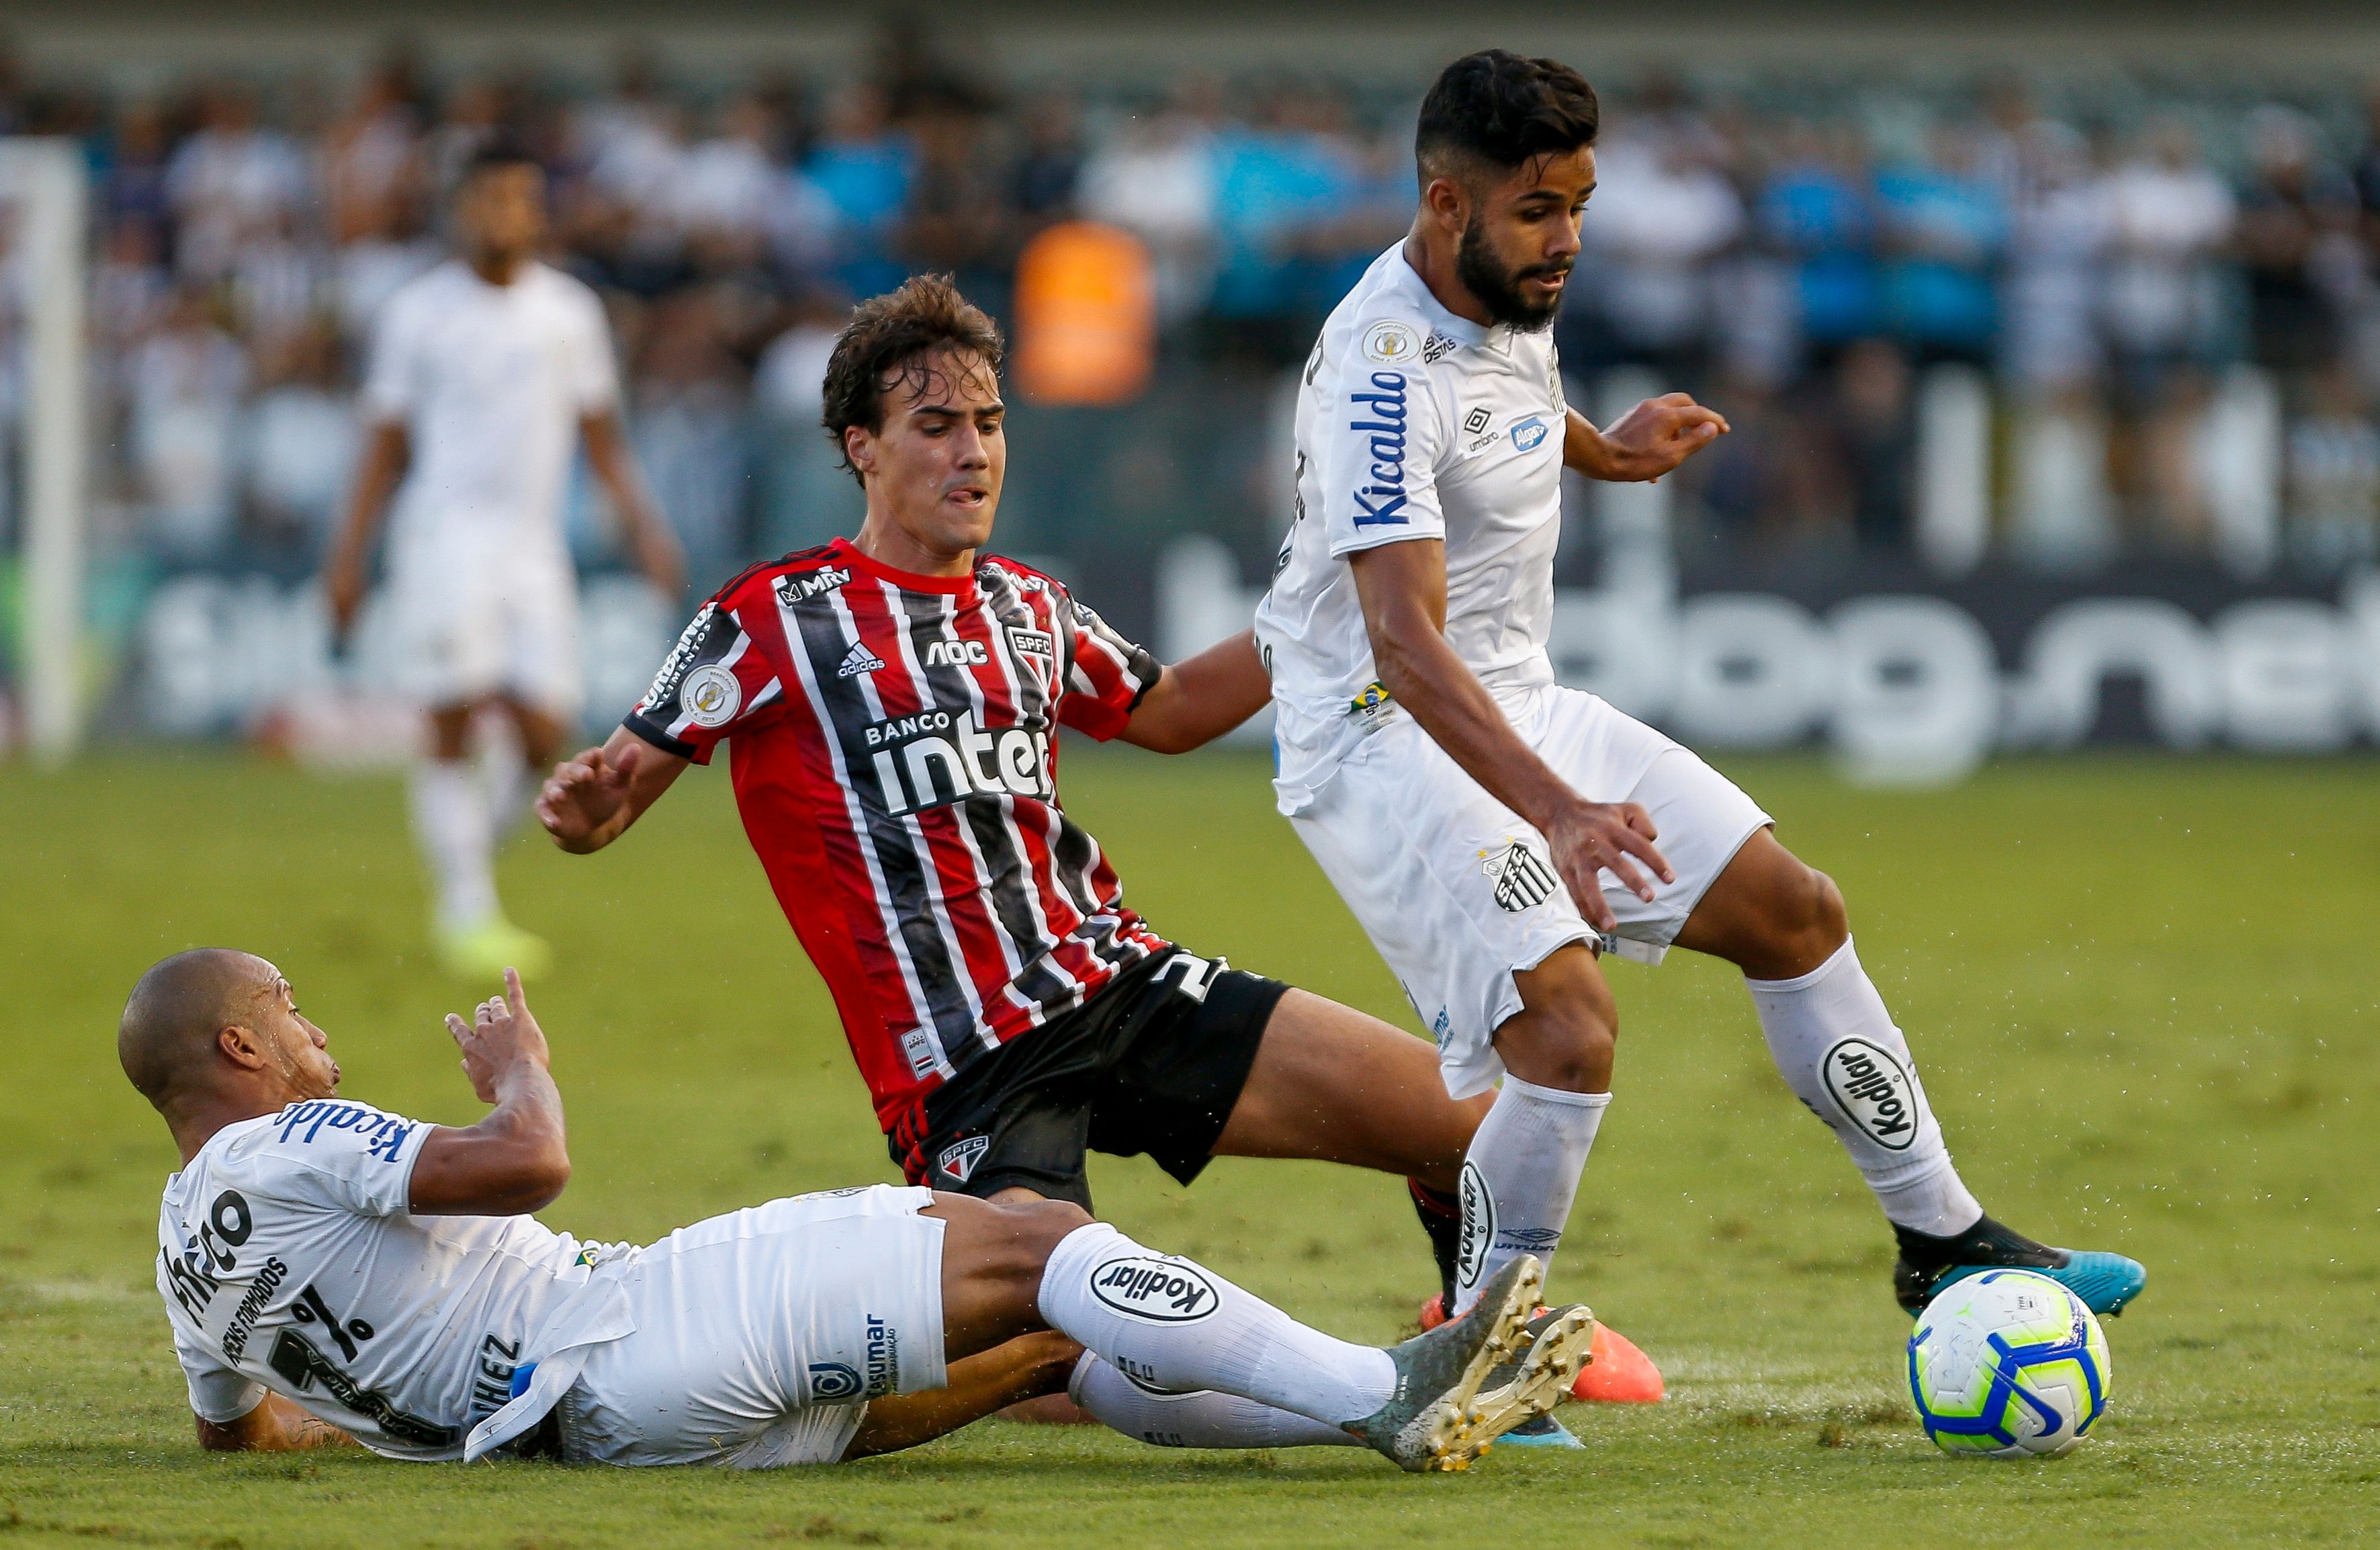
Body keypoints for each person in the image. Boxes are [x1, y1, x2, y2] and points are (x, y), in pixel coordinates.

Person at [533, 273, 1665, 1427]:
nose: (972, 453)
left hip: (1118, 983)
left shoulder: (1030, 605)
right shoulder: (778, 614)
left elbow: (1166, 710)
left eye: (988, 424)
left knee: (1466, 1128)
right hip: (969, 1065)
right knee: (1047, 1341)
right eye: (935, 427)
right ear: (859, 448)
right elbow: (622, 780)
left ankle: (1479, 1343)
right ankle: (1323, 1397)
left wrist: (1330, 594)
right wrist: (589, 806)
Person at [1254, 50, 2146, 1365]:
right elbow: (1399, 640)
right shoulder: (1380, 371)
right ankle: (1481, 1344)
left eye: (1580, 205)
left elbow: (1496, 398)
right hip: (1386, 732)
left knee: (1797, 909)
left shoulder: (1498, 290)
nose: (1566, 241)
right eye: (1537, 211)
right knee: (1564, 1025)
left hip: (1513, 701)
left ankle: (1937, 1235)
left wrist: (1600, 449)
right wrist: (1554, 810)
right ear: (1445, 205)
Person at [129, 950, 1592, 1471]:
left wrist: (381, 1420)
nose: (315, 1034)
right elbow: (525, 1169)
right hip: (621, 1328)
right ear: (241, 1053)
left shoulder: (184, 1260)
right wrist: (523, 1079)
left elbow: (237, 1426)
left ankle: (1394, 1398)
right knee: (1028, 1231)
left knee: (1037, 1344)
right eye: (291, 1012)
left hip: (604, 1437)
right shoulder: (302, 1134)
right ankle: (1382, 1391)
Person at [324, 138, 685, 982]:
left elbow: (602, 436)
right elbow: (383, 443)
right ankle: (465, 909)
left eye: (519, 200)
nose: (504, 215)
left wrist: (644, 528)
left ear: (538, 211)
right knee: (452, 713)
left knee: (544, 731)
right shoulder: (421, 312)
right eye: (489, 199)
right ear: (462, 209)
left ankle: (466, 867)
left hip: (533, 545)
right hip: (444, 538)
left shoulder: (569, 312)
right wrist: (347, 556)